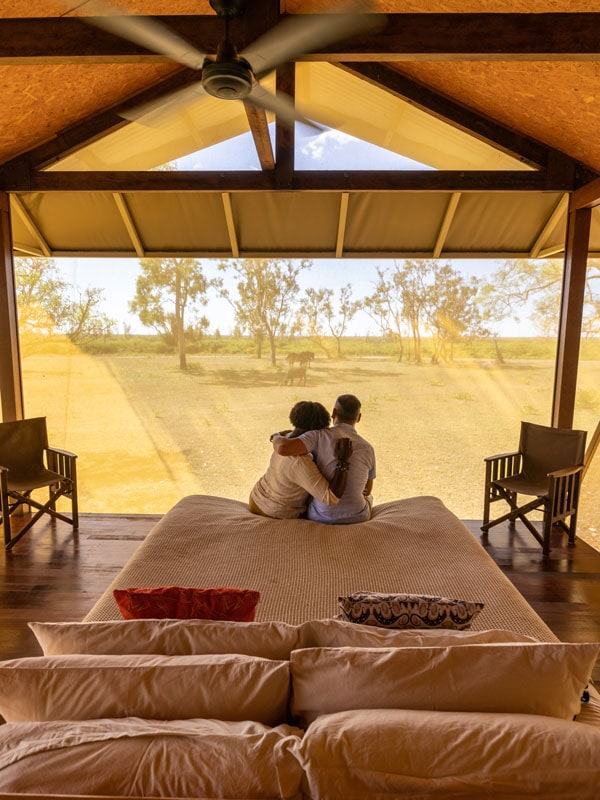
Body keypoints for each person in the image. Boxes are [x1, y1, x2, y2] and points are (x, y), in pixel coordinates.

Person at [271, 393, 375, 524]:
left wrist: (276, 436)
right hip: (358, 516)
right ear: (358, 418)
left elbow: (284, 448)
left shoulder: (317, 436)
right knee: (369, 497)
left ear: (334, 413)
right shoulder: (368, 448)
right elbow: (367, 490)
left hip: (321, 516)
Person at [249, 400, 353, 519]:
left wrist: (276, 435)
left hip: (256, 497)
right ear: (319, 431)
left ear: (293, 418)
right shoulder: (300, 461)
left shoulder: (285, 438)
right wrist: (343, 461)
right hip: (274, 511)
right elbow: (331, 498)